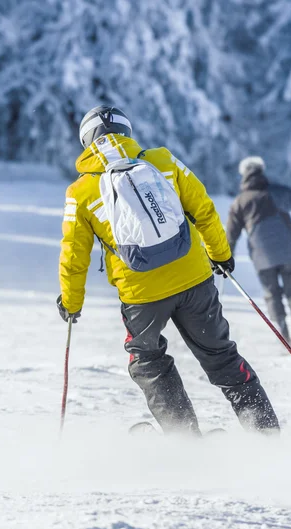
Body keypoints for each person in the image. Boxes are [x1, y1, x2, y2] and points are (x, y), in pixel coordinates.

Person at [57, 106, 279, 435]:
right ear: (127, 132)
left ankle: (185, 440)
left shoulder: (81, 192)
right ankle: (265, 433)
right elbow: (202, 207)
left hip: (142, 294)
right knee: (220, 355)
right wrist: (220, 254)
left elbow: (74, 256)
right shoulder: (162, 160)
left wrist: (72, 303)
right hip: (195, 279)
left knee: (148, 361)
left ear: (86, 141)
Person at [226, 156, 291, 354]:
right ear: (262, 171)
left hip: (262, 257)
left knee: (272, 295)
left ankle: (286, 342)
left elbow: (231, 235)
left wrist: (225, 259)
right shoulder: (278, 192)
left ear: (244, 176)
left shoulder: (240, 202)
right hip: (288, 251)